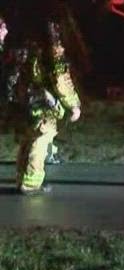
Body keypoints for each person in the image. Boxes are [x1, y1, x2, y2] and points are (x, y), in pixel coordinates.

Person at [10, 21, 81, 194]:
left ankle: (22, 179)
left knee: (28, 140)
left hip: (27, 102)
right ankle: (31, 184)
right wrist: (74, 105)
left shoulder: (28, 50)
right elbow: (61, 80)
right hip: (45, 106)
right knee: (40, 141)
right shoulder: (53, 54)